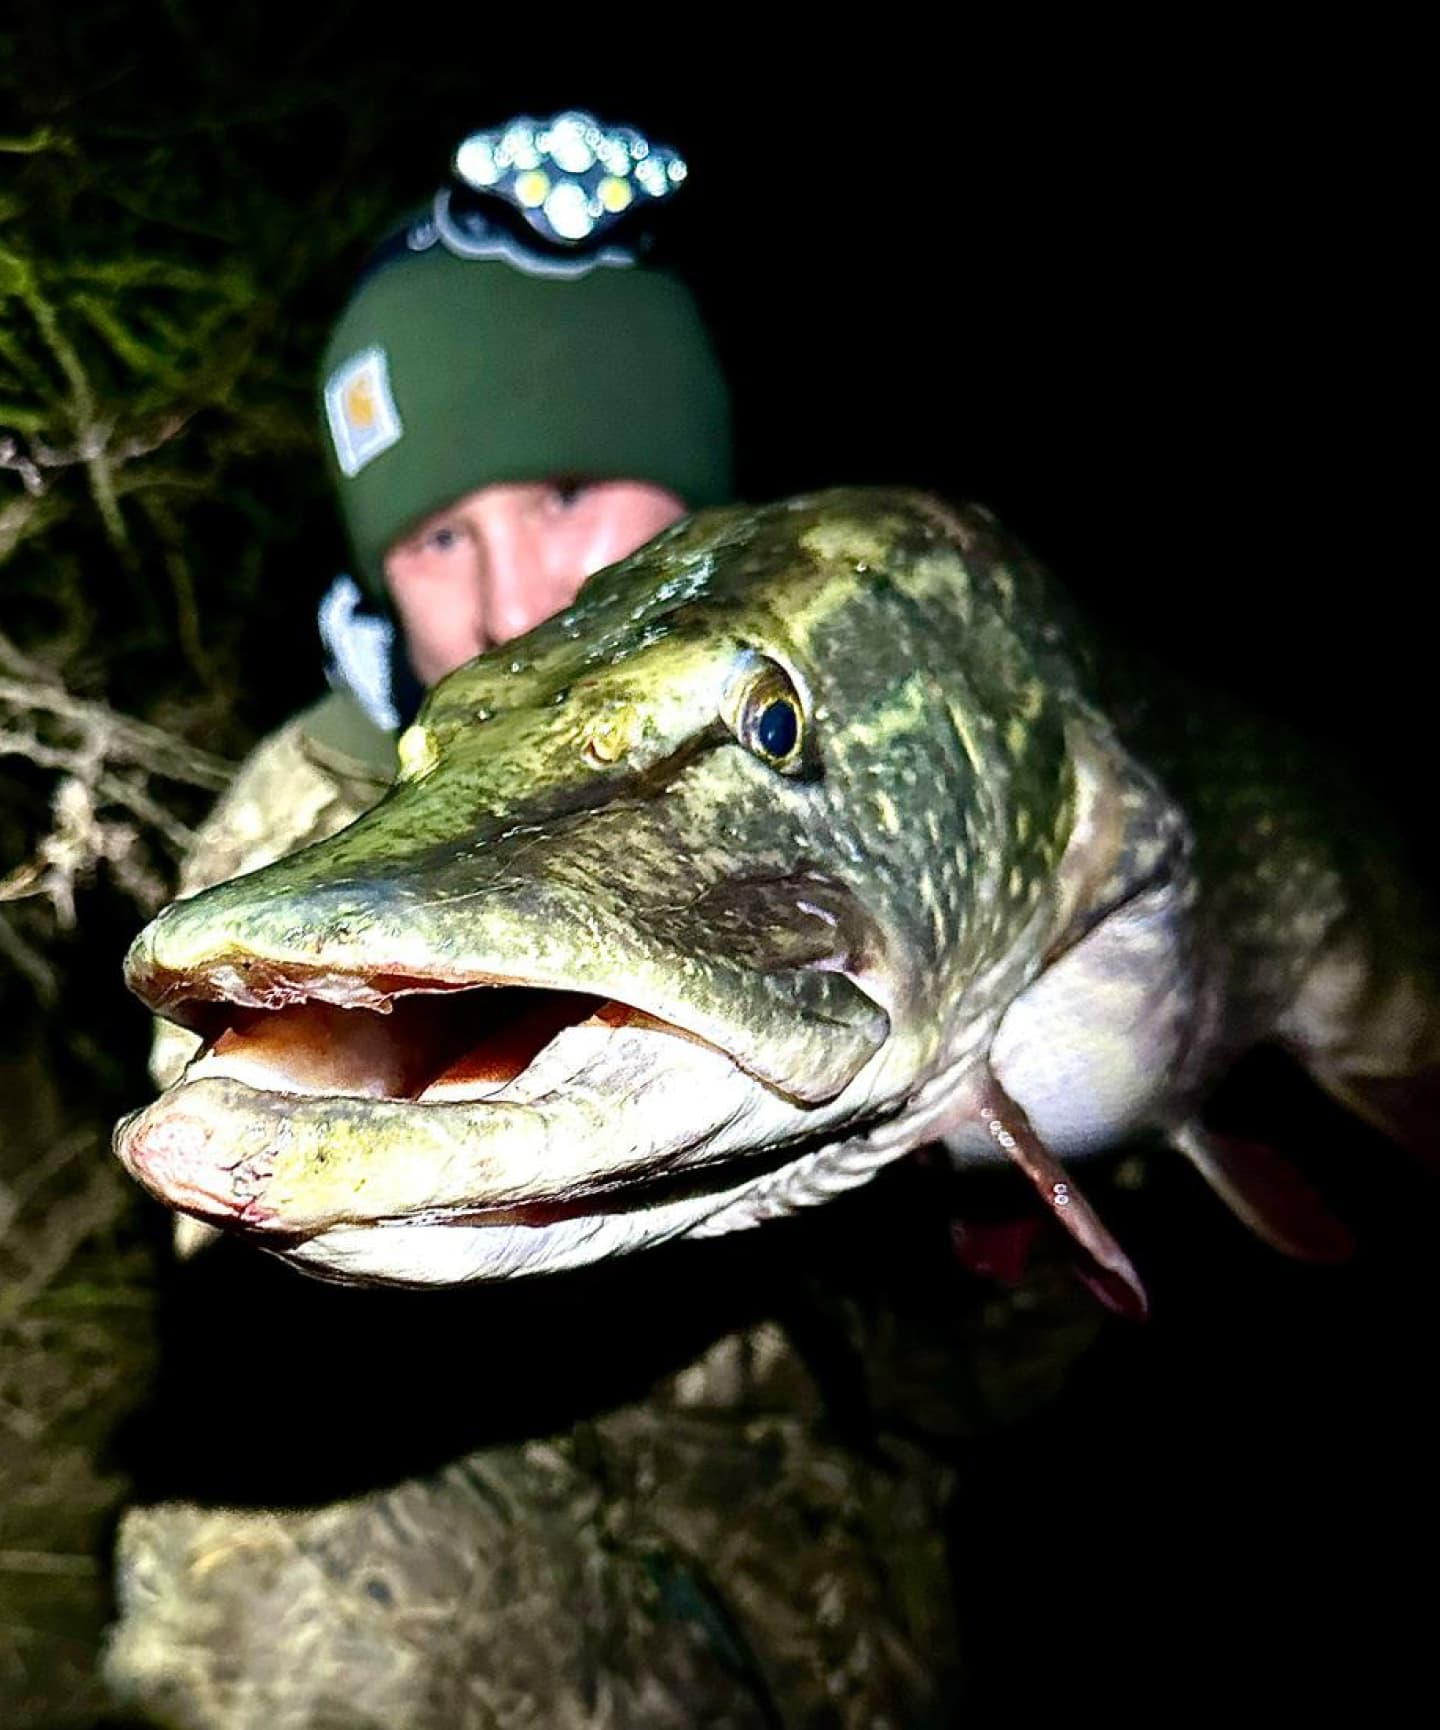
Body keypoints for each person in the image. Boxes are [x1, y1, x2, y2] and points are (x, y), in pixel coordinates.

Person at [150, 108, 732, 1087]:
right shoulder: (299, 813)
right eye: (440, 538)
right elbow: (224, 1164)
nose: (510, 610)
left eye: (566, 494)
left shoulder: (874, 688)